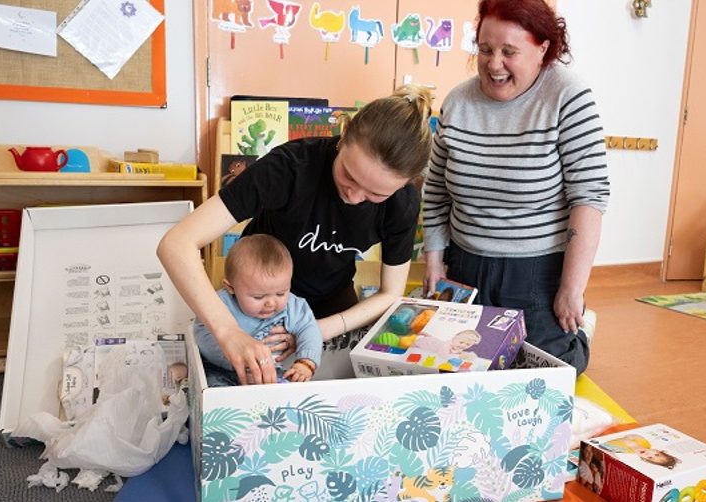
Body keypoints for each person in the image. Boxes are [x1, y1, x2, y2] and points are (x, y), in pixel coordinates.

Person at [158, 85, 433, 384]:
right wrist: (228, 332)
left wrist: (313, 331)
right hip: (254, 300)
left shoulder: (402, 203)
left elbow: (390, 293)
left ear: (406, 183)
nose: (354, 197)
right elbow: (176, 244)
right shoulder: (291, 167)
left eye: (375, 194)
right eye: (348, 176)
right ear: (343, 138)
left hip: (331, 306)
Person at [422, 0, 609, 375]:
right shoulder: (458, 101)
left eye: (509, 52)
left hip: (536, 270)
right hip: (466, 263)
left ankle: (580, 330)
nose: (494, 64)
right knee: (461, 366)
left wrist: (571, 290)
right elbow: (436, 191)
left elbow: (588, 196)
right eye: (485, 50)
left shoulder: (568, 96)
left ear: (543, 49)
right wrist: (434, 261)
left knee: (549, 372)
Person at [194, 235, 323, 386]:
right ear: (230, 288)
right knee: (213, 393)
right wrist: (239, 361)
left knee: (288, 390)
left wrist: (306, 362)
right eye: (258, 297)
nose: (271, 303)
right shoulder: (220, 304)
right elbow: (202, 333)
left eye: (281, 293)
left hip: (271, 372)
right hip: (220, 371)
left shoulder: (293, 305)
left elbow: (310, 329)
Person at [412, 329, 481, 359]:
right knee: (413, 345)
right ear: (454, 338)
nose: (463, 345)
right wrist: (458, 356)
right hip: (427, 342)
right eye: (461, 342)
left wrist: (463, 354)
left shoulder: (457, 347)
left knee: (435, 340)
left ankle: (425, 334)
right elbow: (443, 356)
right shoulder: (446, 345)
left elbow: (457, 352)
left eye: (467, 345)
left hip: (435, 341)